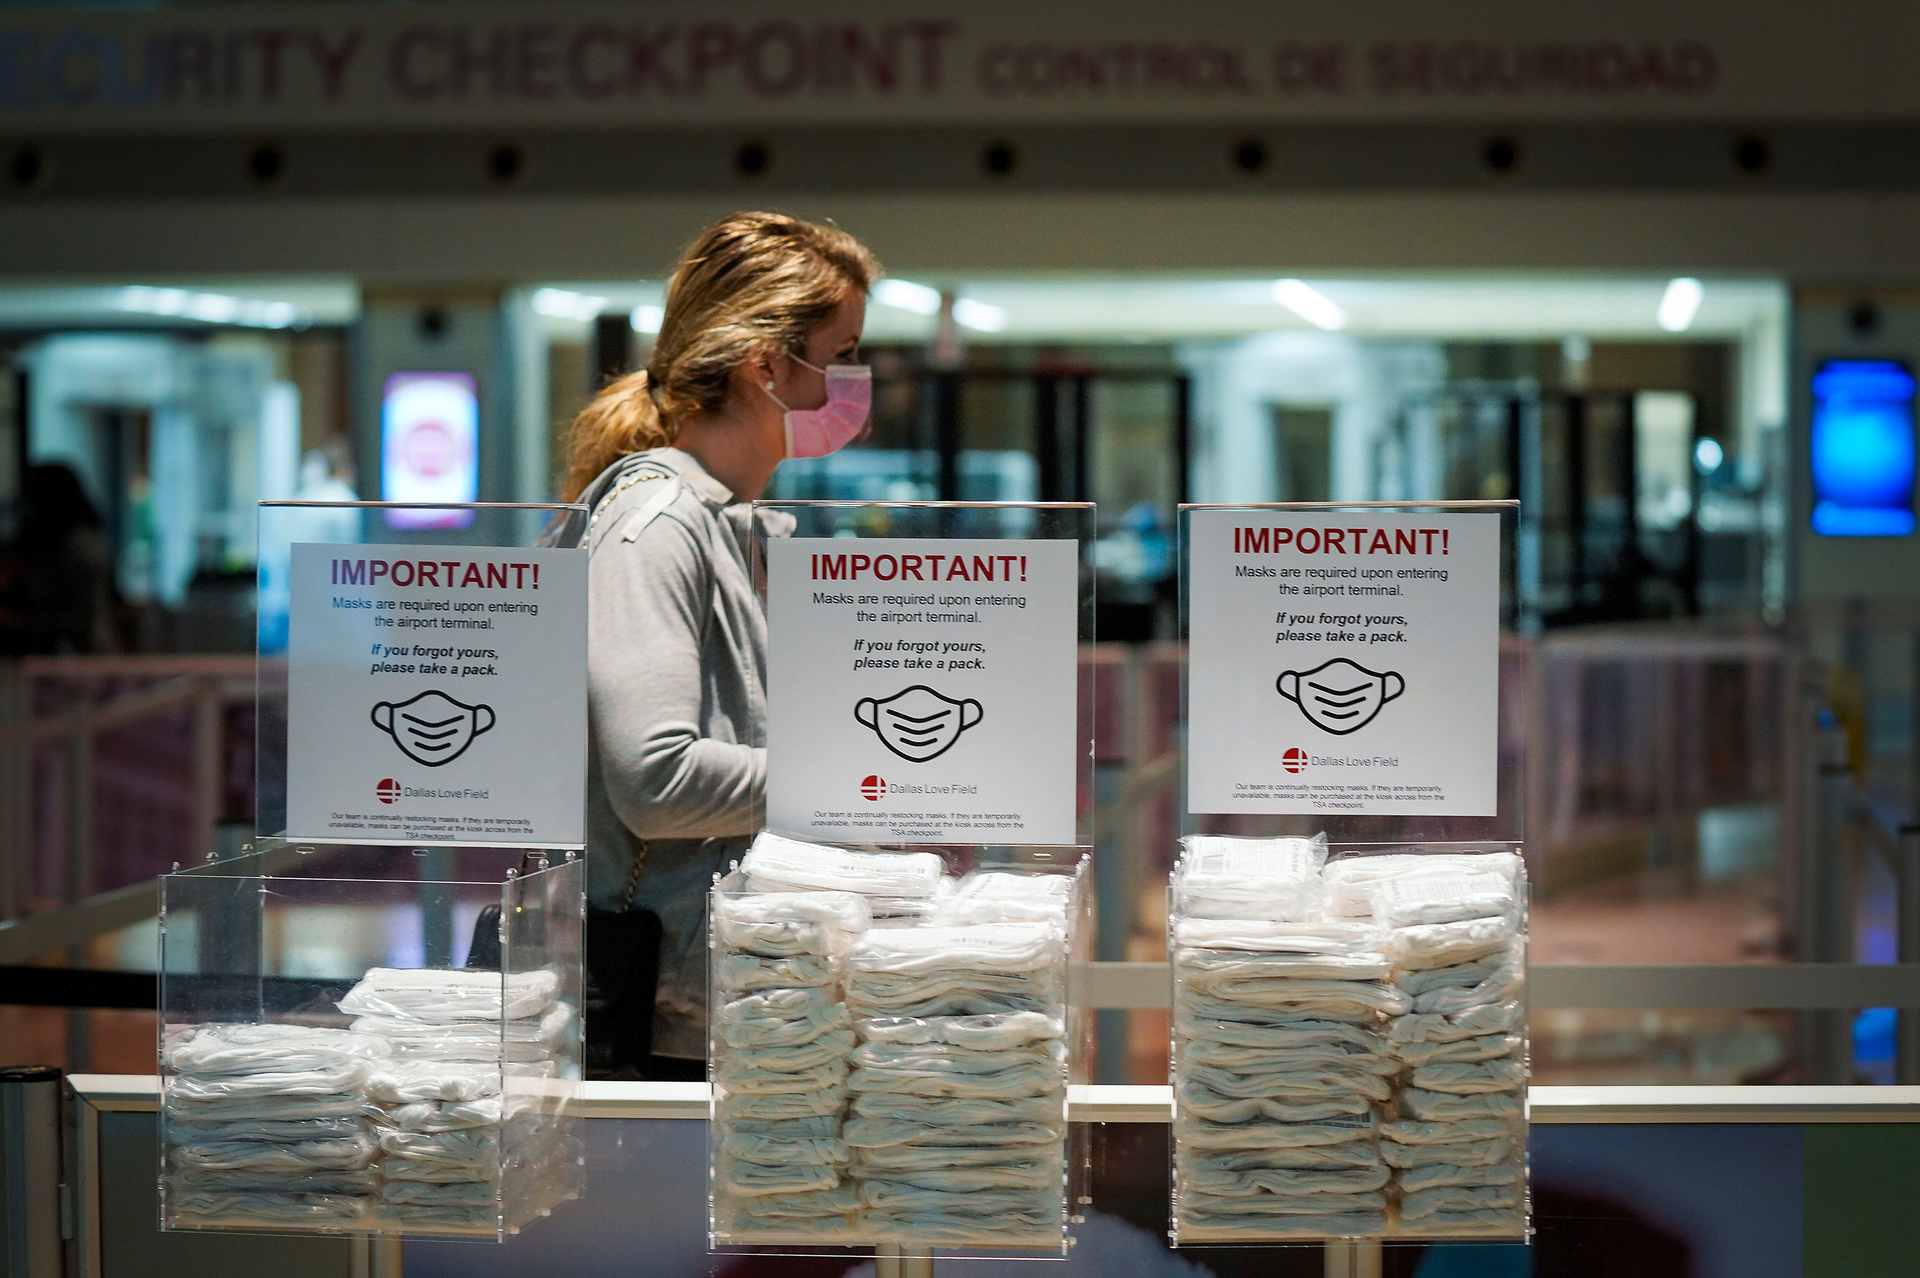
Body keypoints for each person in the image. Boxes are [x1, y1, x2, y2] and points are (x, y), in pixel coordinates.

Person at [561, 211, 879, 1078]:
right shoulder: (657, 526)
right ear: (766, 365)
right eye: (843, 353)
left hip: (739, 998)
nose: (855, 381)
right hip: (663, 1021)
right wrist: (871, 787)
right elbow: (656, 780)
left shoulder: (738, 524)